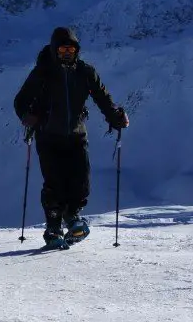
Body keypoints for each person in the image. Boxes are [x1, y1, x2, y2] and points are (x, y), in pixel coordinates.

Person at [13, 26, 129, 248]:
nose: (67, 52)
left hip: (76, 135)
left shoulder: (85, 73)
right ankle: (54, 229)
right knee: (54, 183)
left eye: (71, 48)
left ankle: (72, 218)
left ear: (77, 50)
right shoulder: (43, 73)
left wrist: (115, 117)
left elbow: (103, 98)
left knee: (80, 182)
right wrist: (27, 116)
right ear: (55, 50)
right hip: (48, 136)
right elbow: (20, 101)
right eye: (63, 48)